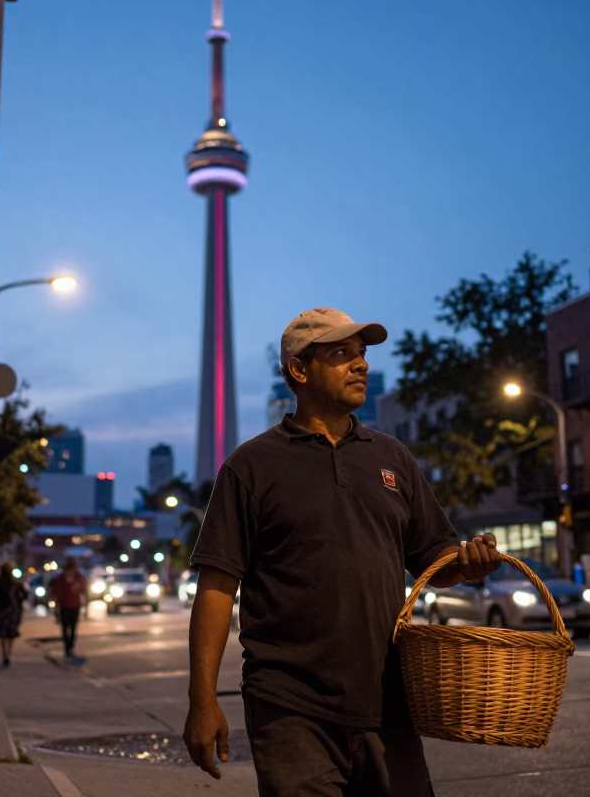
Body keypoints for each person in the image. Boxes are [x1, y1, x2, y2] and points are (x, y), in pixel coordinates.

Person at [184, 308, 503, 796]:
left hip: (389, 701)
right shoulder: (250, 467)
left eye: (362, 355)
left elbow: (432, 559)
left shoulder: (392, 457)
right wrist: (202, 697)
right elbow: (217, 586)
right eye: (341, 354)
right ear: (299, 369)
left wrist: (467, 564)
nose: (361, 365)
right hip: (291, 707)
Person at [50, 558, 89, 659]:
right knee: (64, 628)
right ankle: (67, 648)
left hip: (75, 606)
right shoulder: (61, 579)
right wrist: (55, 605)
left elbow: (84, 591)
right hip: (63, 606)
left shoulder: (79, 578)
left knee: (73, 628)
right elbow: (55, 592)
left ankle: (70, 647)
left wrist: (86, 605)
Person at [0, 563, 23, 668]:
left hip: (1, 612)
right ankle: (8, 653)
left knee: (3, 636)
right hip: (12, 612)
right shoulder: (15, 584)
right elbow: (22, 596)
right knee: (11, 635)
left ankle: (5, 654)